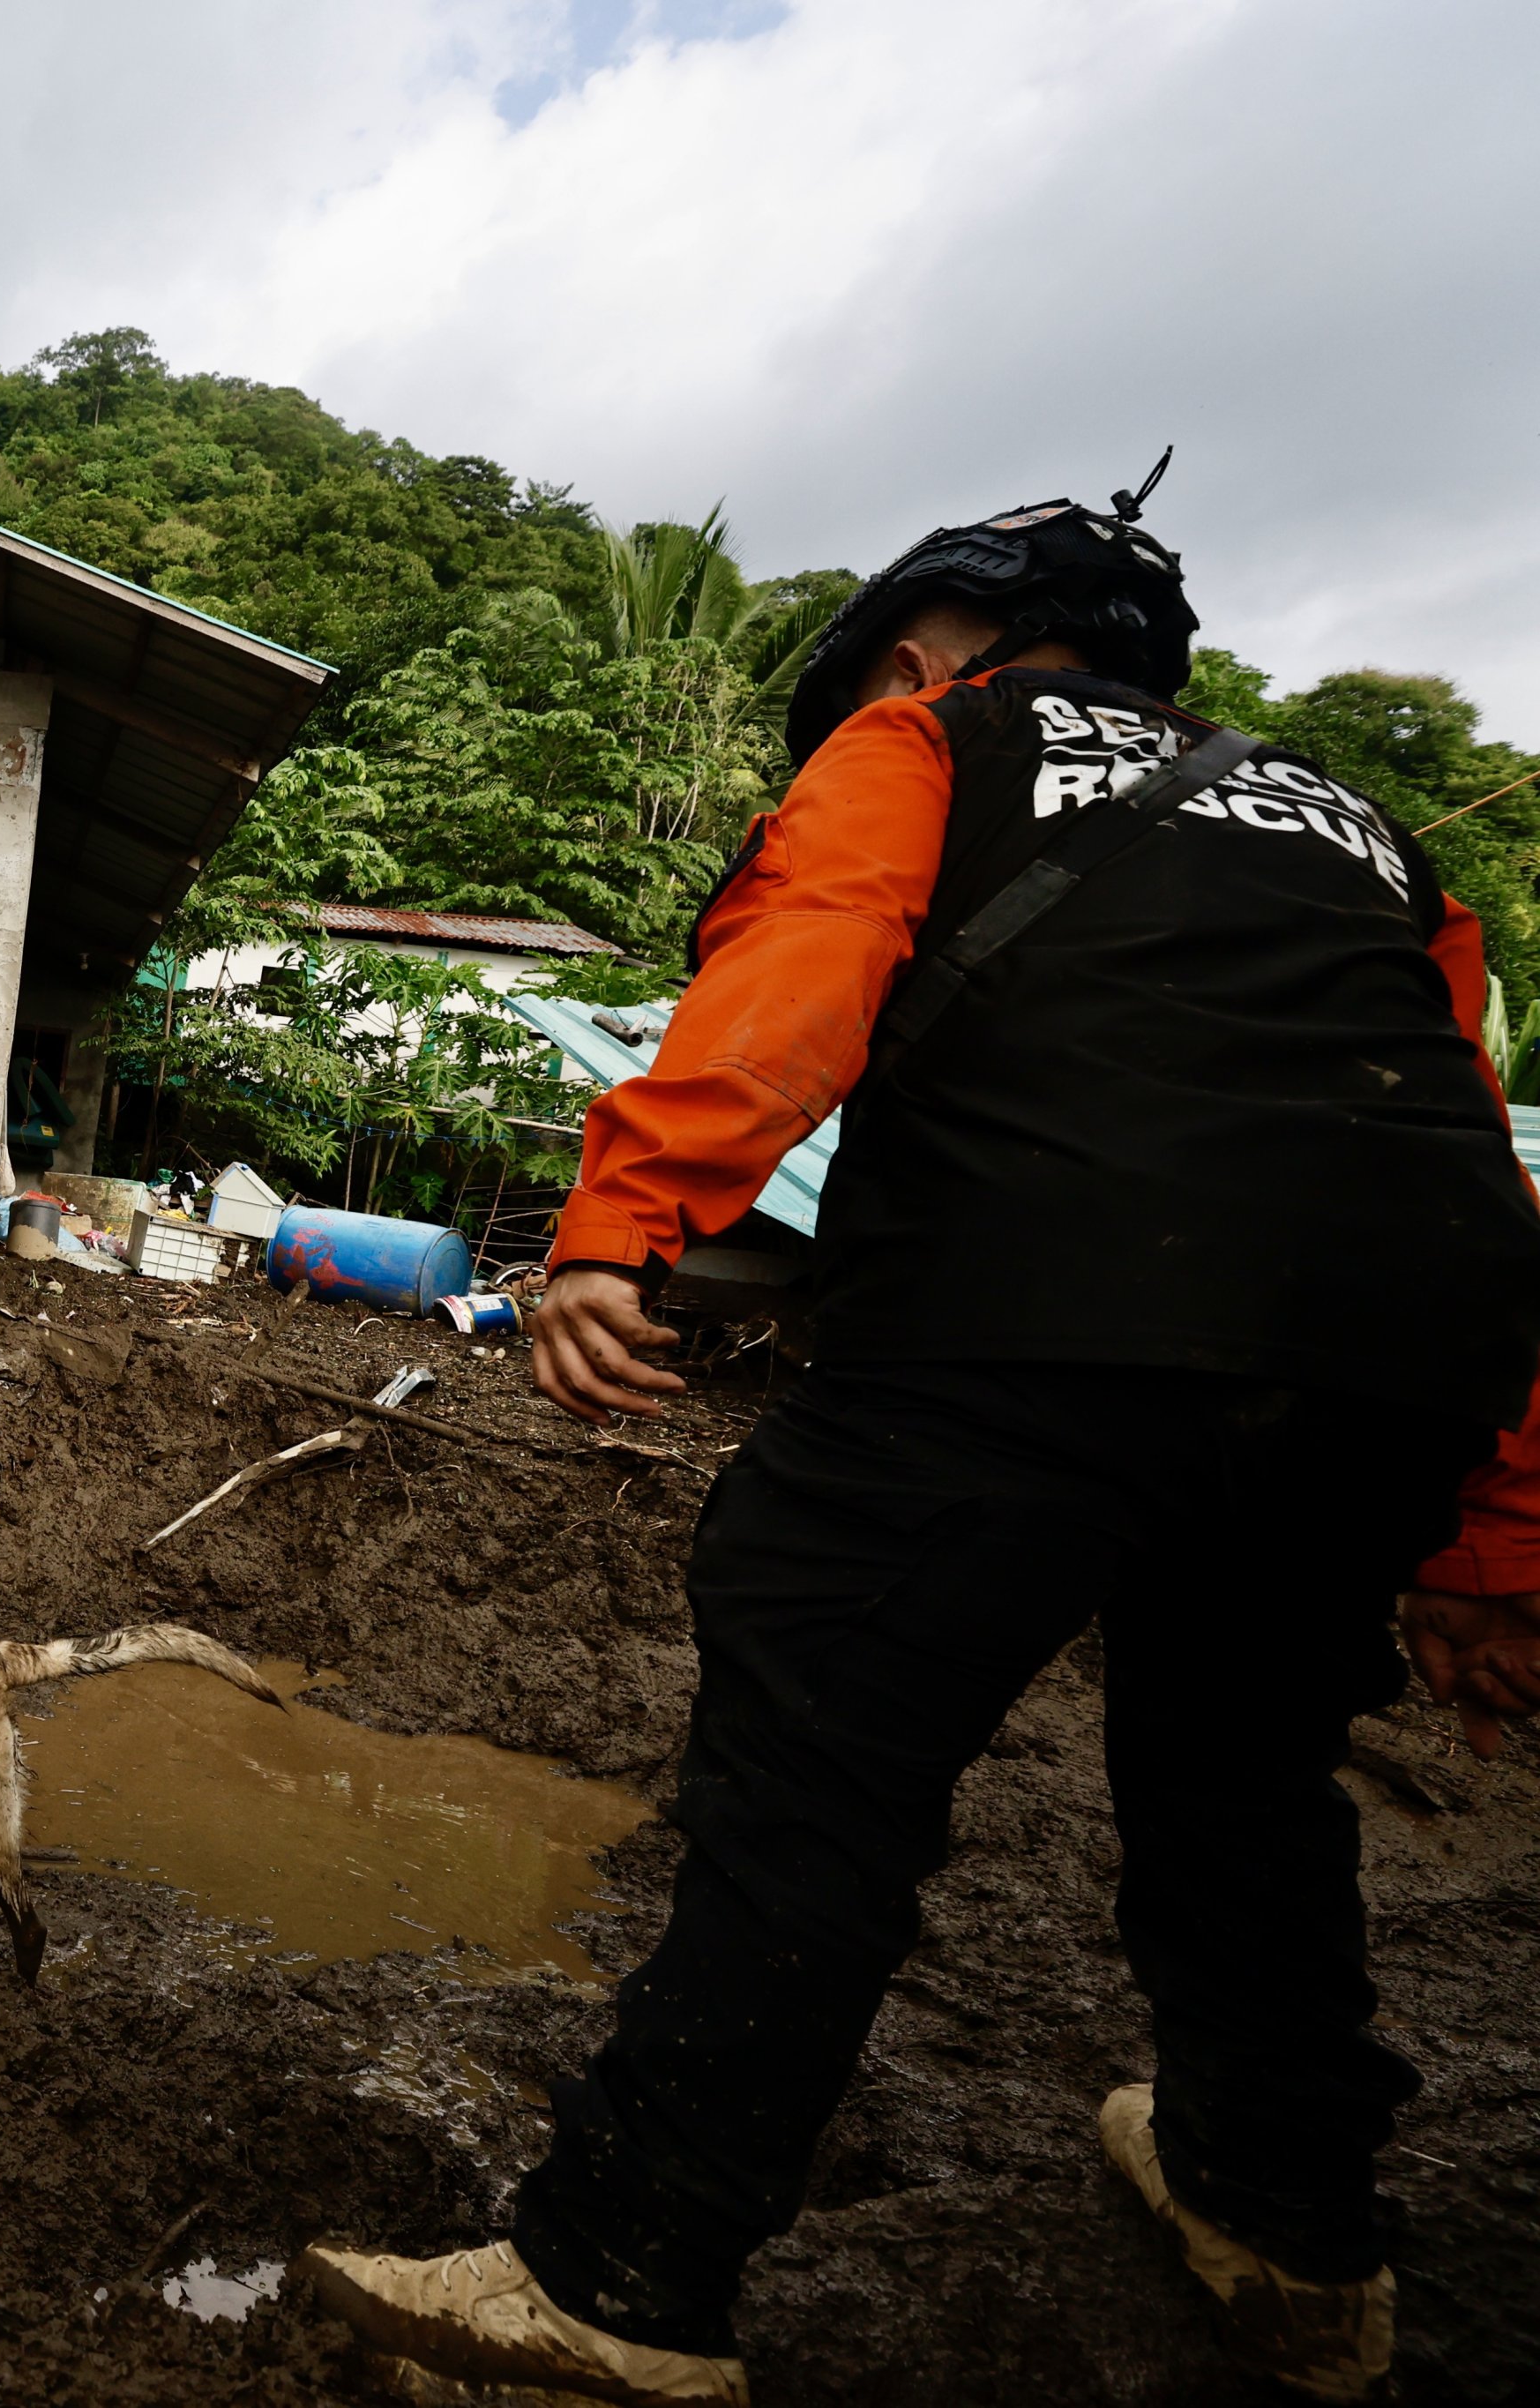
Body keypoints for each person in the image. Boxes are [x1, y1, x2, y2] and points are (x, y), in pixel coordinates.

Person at [303, 484, 1540, 2405]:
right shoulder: (1362, 838)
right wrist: (1486, 1552)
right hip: (1386, 1377)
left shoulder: (927, 742)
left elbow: (790, 979)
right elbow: (1449, 1162)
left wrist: (618, 1227)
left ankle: (615, 2289)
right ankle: (1288, 2237)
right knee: (1243, 1782)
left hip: (1030, 1324)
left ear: (907, 657)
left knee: (821, 1773)